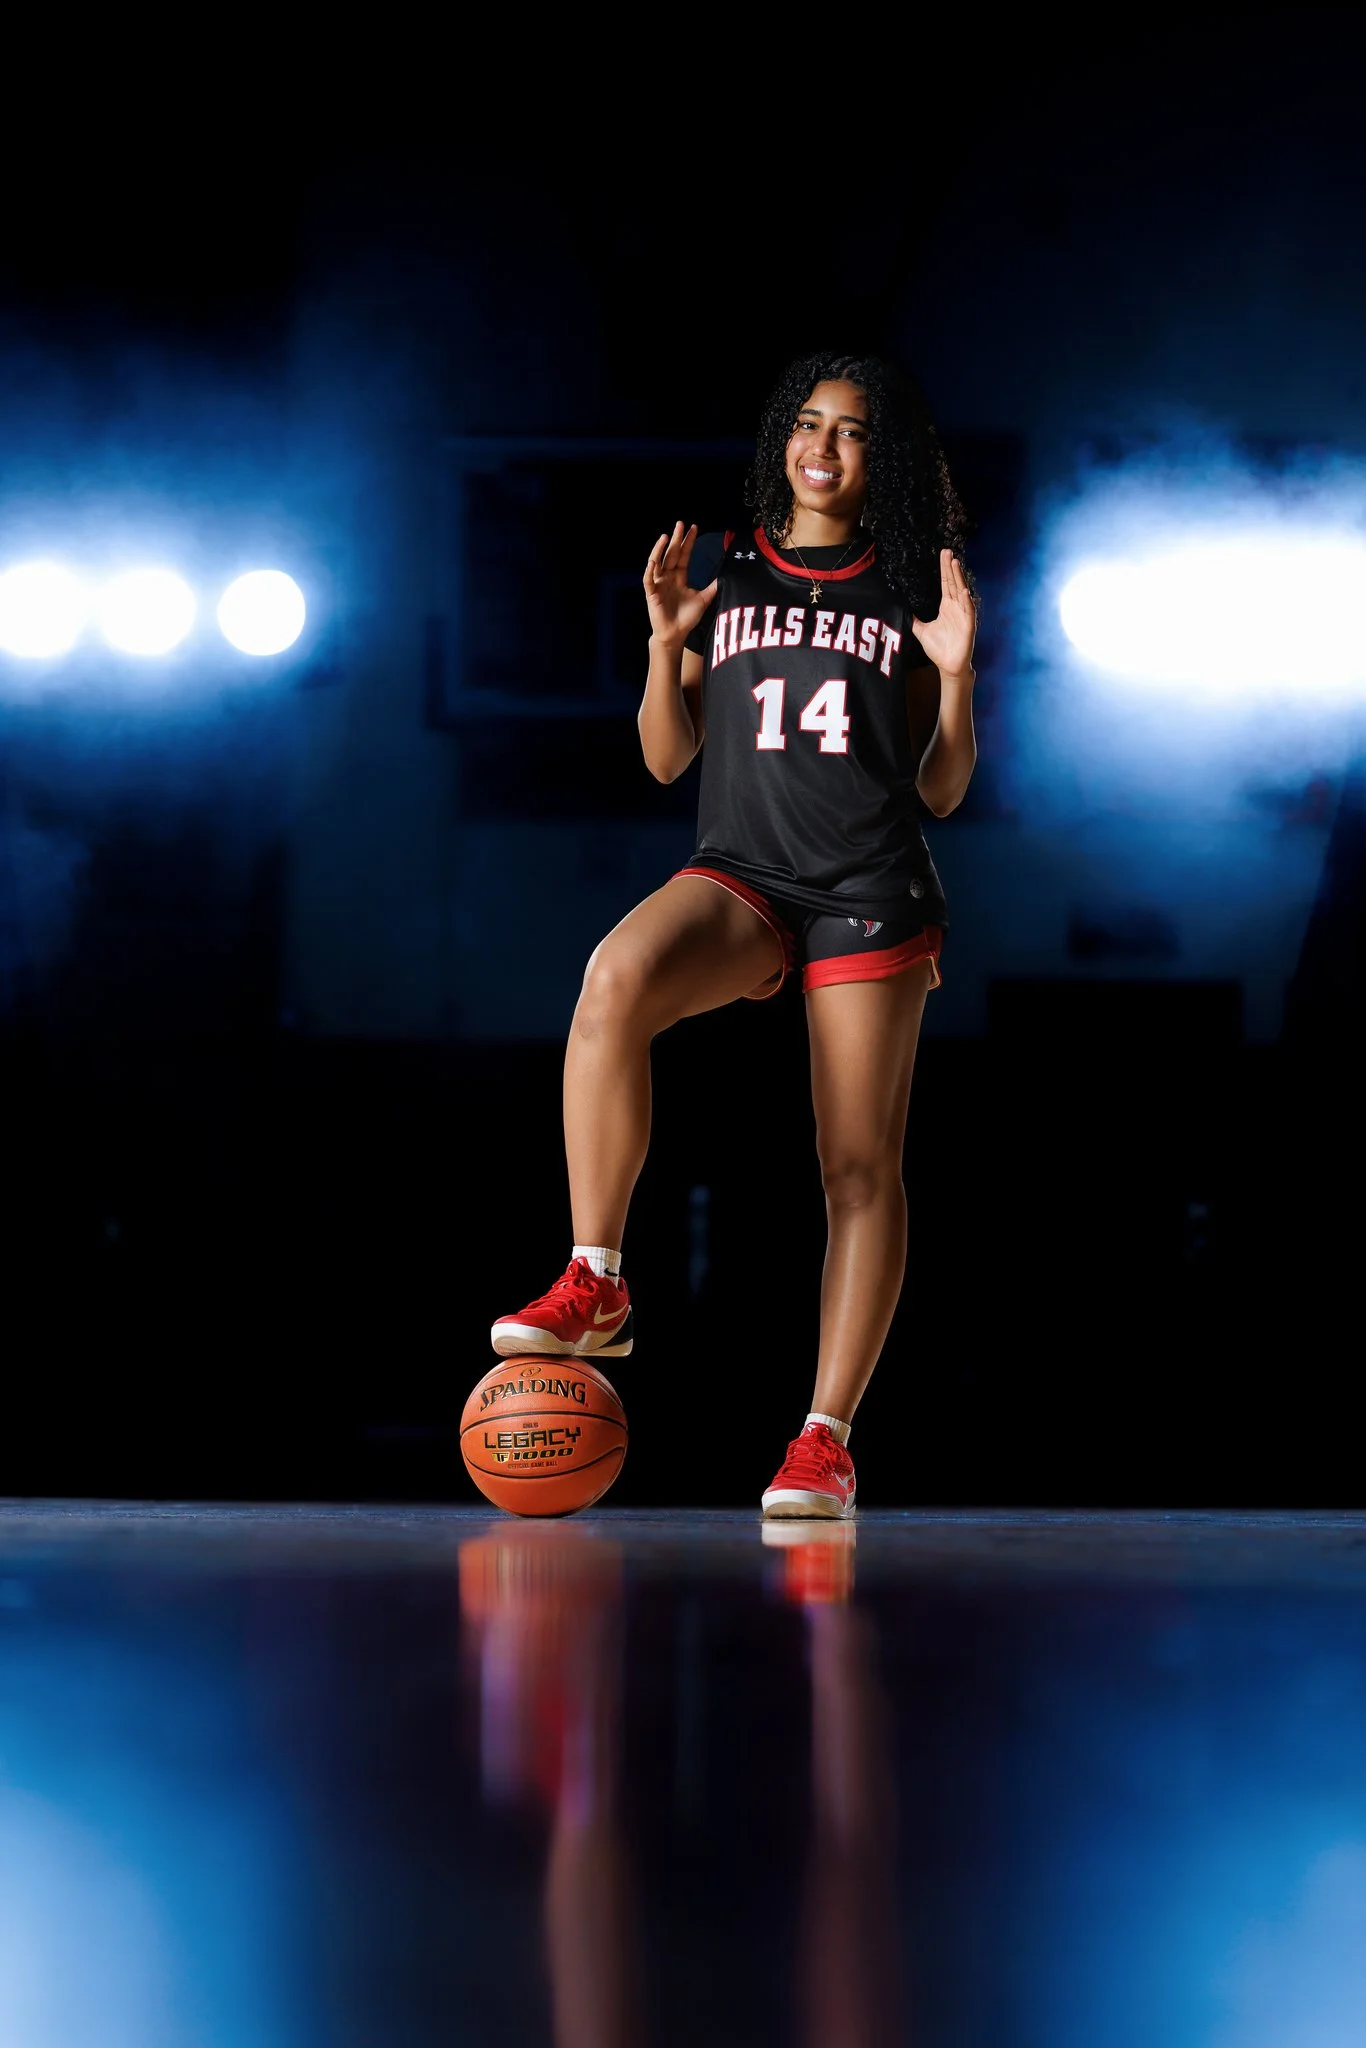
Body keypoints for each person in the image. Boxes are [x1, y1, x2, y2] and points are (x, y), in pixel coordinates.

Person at [491, 350, 978, 1517]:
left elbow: (944, 788)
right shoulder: (730, 565)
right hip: (746, 872)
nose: (825, 443)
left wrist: (956, 679)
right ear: (781, 441)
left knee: (855, 1164)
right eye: (808, 422)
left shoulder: (907, 580)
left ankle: (824, 1438)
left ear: (881, 460)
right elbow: (667, 757)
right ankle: (595, 1280)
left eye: (853, 431)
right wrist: (664, 648)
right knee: (614, 975)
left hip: (866, 882)